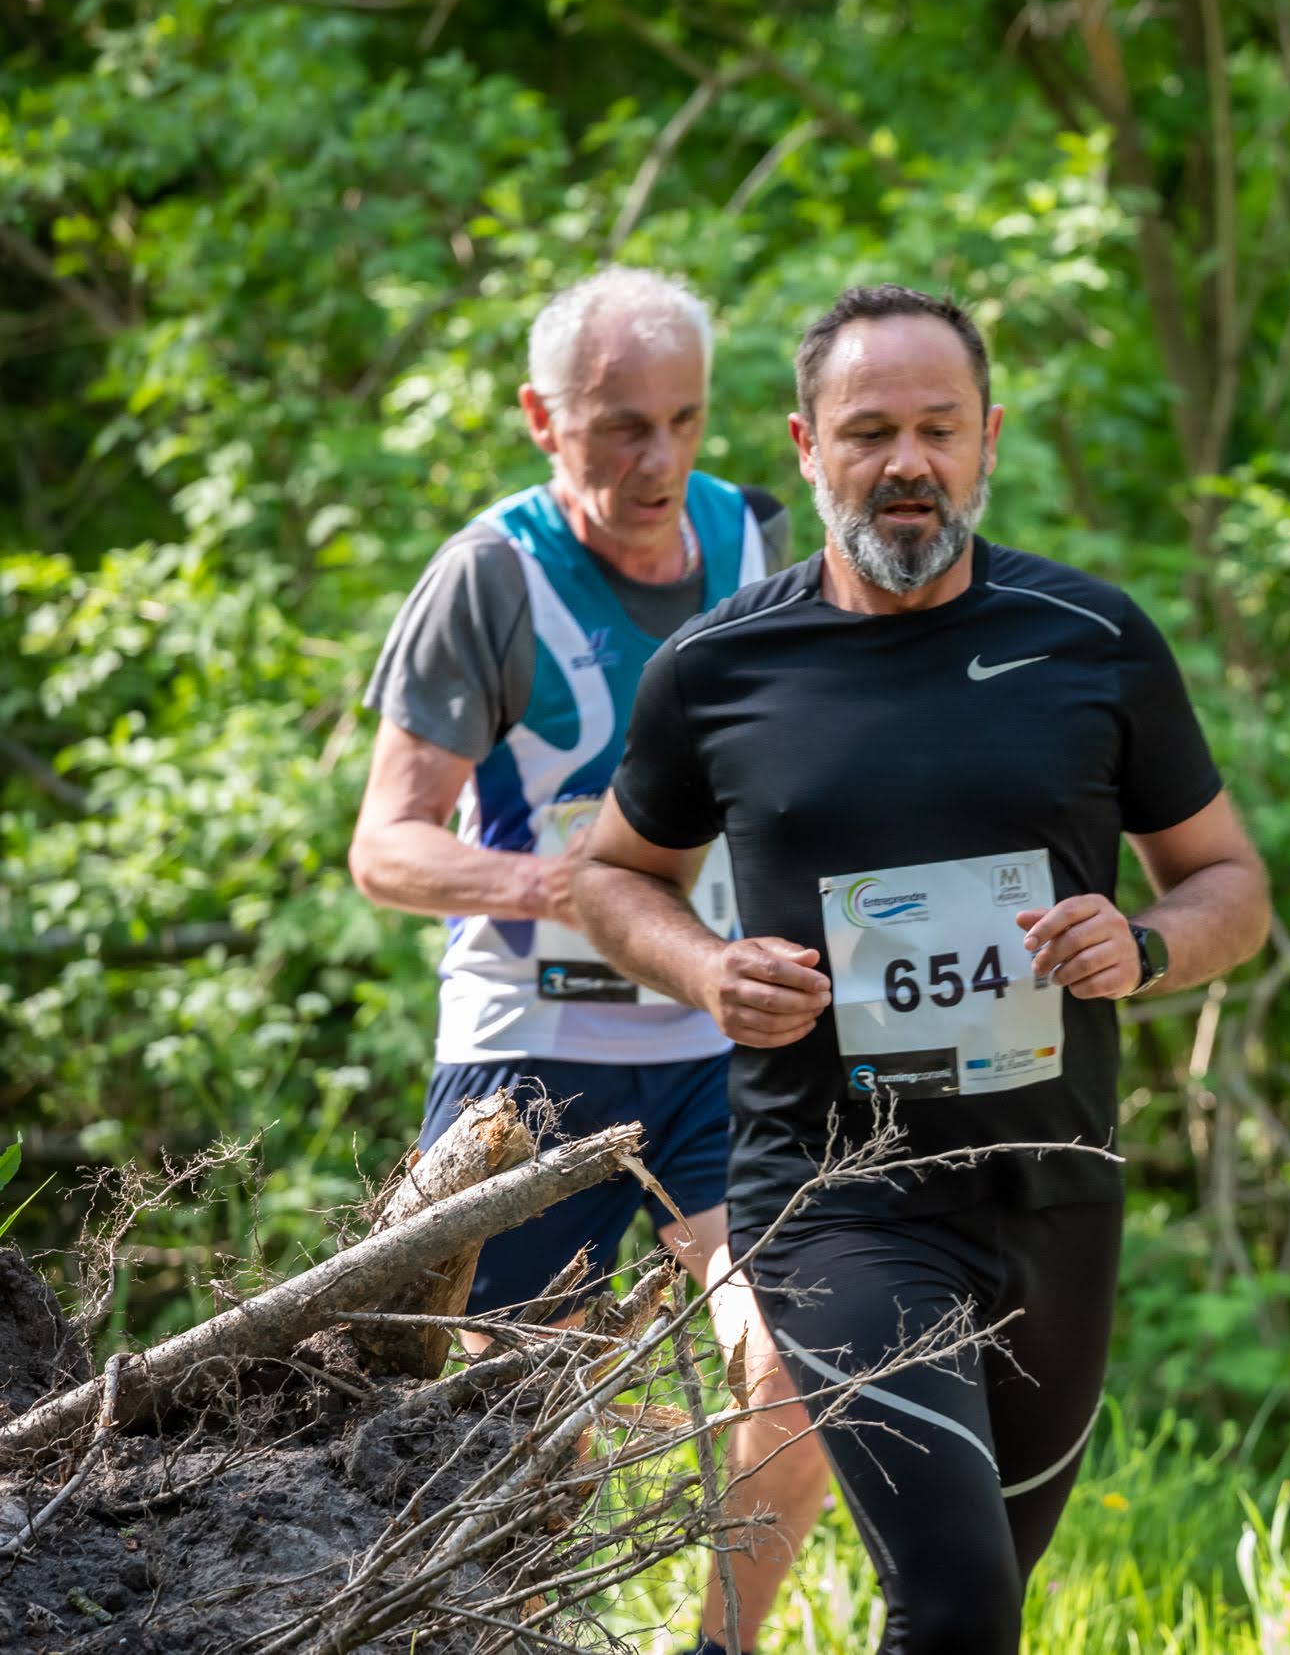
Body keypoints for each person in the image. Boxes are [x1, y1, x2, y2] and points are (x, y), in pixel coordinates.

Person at [570, 283, 1271, 1654]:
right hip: (835, 1196)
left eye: (939, 429)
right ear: (806, 446)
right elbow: (611, 875)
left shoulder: (1092, 639)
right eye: (869, 431)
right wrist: (708, 970)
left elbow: (1230, 883)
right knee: (953, 1597)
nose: (908, 463)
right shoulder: (719, 664)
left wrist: (1142, 946)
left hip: (1053, 1187)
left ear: (988, 438)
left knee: (985, 1600)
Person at [348, 265, 829, 1655]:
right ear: (542, 419)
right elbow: (385, 848)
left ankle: (720, 1648)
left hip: (717, 1039)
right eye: (621, 427)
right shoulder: (489, 577)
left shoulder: (755, 539)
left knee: (798, 1361)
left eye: (684, 421)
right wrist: (570, 885)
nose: (658, 462)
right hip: (529, 1053)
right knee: (513, 1425)